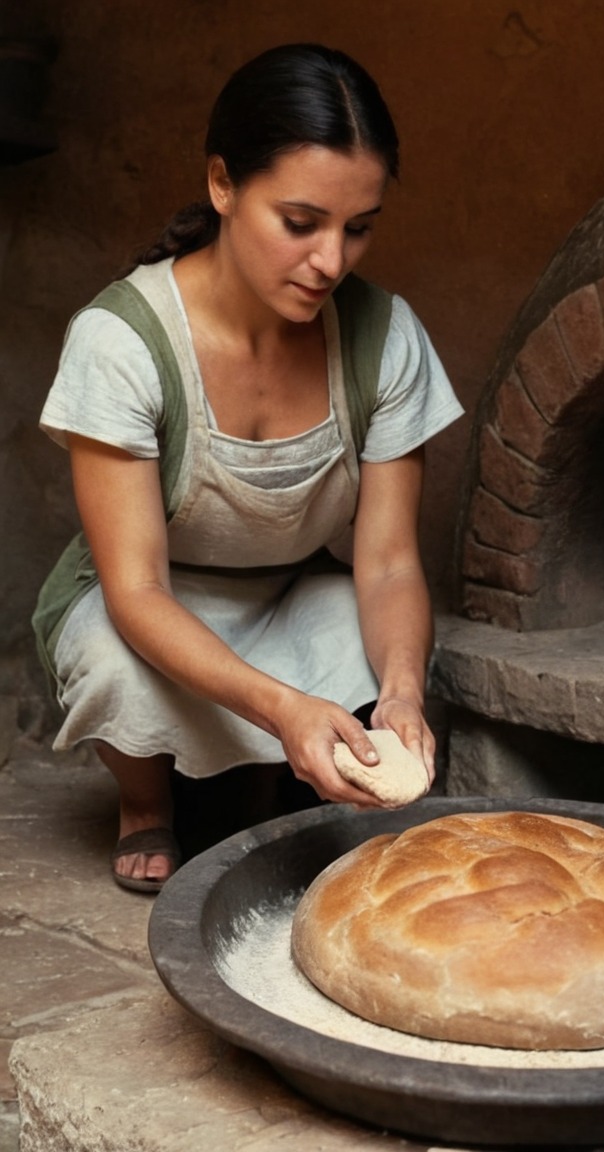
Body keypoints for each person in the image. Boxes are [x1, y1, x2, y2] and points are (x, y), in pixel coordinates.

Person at [32, 43, 463, 893]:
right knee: (114, 661)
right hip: (155, 604)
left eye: (359, 227)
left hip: (290, 594)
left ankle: (267, 773)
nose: (332, 262)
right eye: (300, 223)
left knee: (385, 649)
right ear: (224, 185)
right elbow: (138, 591)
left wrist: (403, 695)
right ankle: (146, 799)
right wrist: (283, 706)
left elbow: (387, 564)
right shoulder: (123, 342)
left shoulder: (385, 337)